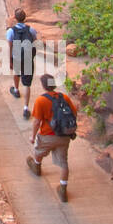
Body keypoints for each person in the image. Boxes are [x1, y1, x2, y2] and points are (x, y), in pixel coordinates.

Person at [26, 72, 78, 202]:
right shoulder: (64, 98)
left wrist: (33, 136)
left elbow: (37, 121)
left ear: (43, 86)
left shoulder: (41, 100)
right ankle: (63, 188)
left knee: (38, 151)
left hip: (48, 135)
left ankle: (37, 166)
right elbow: (74, 113)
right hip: (64, 136)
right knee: (63, 162)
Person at [7, 8, 38, 119]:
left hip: (16, 57)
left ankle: (16, 90)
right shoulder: (31, 30)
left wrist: (9, 59)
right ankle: (26, 108)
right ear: (25, 18)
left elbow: (10, 46)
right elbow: (34, 41)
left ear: (15, 18)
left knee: (16, 72)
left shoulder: (11, 31)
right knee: (27, 84)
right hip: (28, 58)